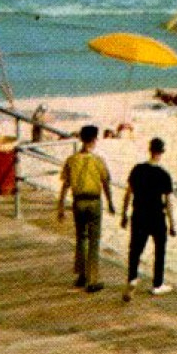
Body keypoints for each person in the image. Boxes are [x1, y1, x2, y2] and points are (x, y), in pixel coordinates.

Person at [58, 125, 114, 292]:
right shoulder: (98, 161)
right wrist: (110, 203)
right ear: (94, 140)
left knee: (81, 238)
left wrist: (60, 206)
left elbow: (65, 185)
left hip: (78, 202)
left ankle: (81, 275)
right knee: (94, 240)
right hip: (94, 201)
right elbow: (105, 183)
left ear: (81, 139)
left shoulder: (72, 160)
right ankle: (92, 279)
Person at [121, 137, 176, 300]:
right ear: (161, 153)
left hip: (139, 214)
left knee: (135, 249)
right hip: (157, 216)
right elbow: (169, 202)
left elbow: (127, 194)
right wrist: (172, 224)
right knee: (159, 250)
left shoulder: (137, 169)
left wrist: (123, 215)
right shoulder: (164, 175)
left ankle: (132, 278)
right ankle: (157, 284)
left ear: (150, 150)